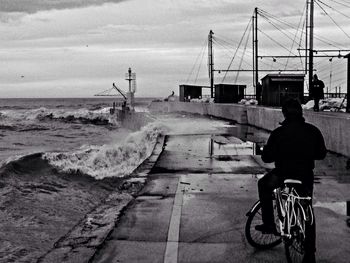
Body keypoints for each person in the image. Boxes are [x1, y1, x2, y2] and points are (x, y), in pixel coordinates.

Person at [256, 98, 327, 263]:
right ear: (301, 113)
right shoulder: (313, 131)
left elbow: (266, 157)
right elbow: (321, 154)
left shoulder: (278, 133)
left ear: (284, 113)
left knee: (264, 185)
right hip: (305, 177)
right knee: (307, 210)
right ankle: (310, 254)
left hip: (283, 175)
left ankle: (269, 224)